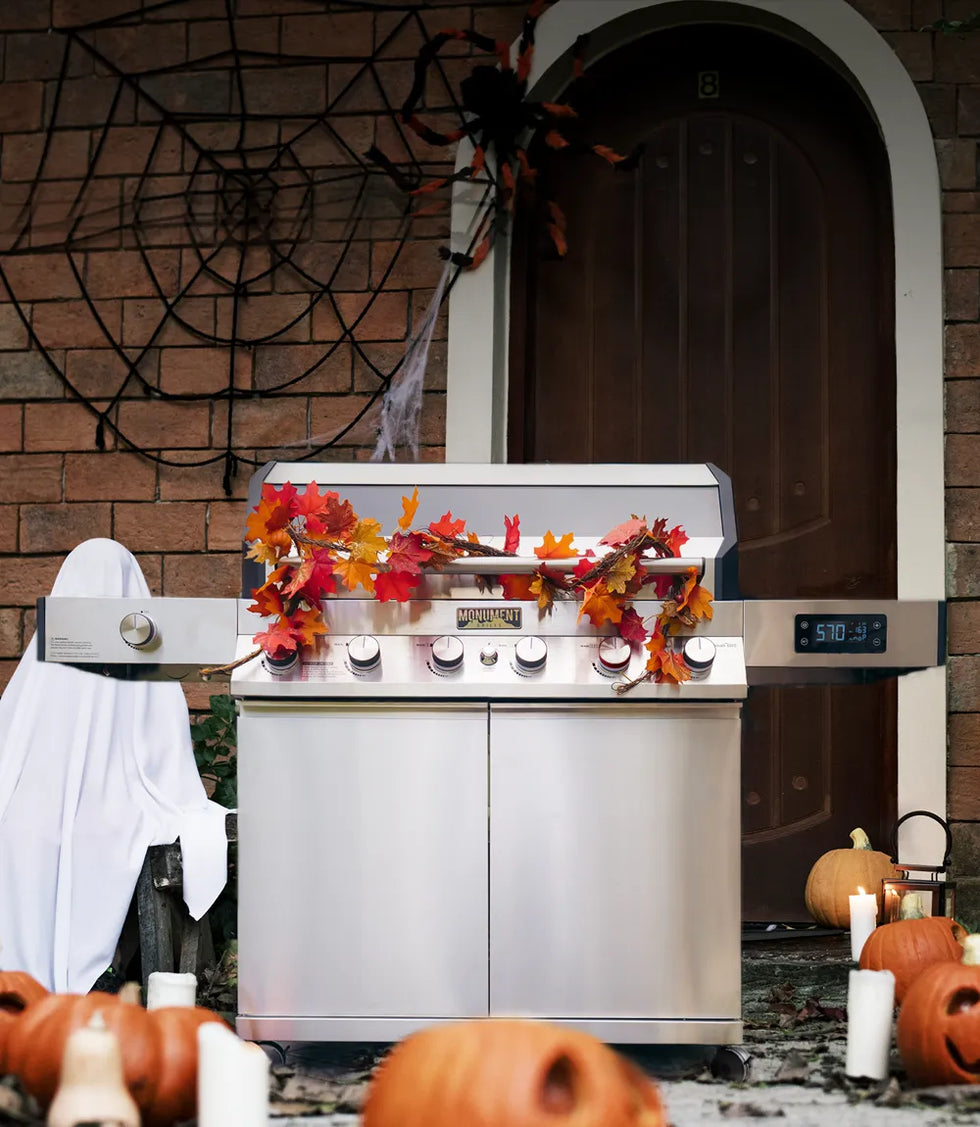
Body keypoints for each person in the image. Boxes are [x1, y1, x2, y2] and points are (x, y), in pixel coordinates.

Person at [0, 538, 229, 992]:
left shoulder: (41, 663)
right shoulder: (148, 662)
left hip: (30, 819)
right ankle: (88, 979)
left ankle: (25, 978)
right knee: (98, 839)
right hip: (110, 814)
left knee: (28, 837)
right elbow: (166, 754)